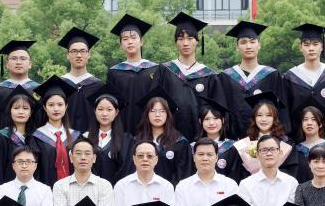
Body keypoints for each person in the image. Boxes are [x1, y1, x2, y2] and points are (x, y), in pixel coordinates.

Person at [219, 20, 290, 138]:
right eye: (243, 42)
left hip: (266, 140)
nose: (248, 46)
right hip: (234, 139)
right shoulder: (225, 77)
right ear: (237, 47)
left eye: (252, 42)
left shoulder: (272, 75)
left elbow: (281, 110)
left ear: (259, 45)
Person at [161, 12, 223, 142]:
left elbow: (217, 112)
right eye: (181, 38)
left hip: (202, 141)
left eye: (190, 38)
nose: (185, 43)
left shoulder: (209, 75)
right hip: (170, 137)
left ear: (197, 41)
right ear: (176, 42)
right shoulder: (165, 71)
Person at [107, 14, 166, 134]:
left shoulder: (155, 69)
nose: (130, 42)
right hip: (122, 128)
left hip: (149, 128)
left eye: (133, 38)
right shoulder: (114, 72)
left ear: (141, 41)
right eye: (125, 39)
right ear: (121, 45)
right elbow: (111, 103)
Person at [238, 135, 299, 206]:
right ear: (257, 154)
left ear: (280, 153)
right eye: (264, 150)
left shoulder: (291, 183)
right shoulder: (246, 184)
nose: (269, 153)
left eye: (273, 149)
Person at [53, 137, 115, 206]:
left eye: (87, 154)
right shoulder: (60, 185)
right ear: (71, 158)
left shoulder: (104, 185)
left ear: (94, 158)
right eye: (78, 153)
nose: (83, 157)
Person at [284, 23, 325, 127]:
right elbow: (286, 110)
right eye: (306, 45)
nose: (311, 48)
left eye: (315, 44)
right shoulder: (290, 76)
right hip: (299, 132)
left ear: (322, 47)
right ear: (300, 47)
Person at [28, 75, 81, 186]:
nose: (56, 109)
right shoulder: (36, 138)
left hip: (74, 189)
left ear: (66, 106)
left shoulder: (76, 137)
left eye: (60, 104)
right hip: (45, 191)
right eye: (51, 105)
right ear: (44, 107)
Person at [133, 88, 191, 184]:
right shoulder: (136, 141)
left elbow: (183, 174)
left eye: (162, 111)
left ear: (168, 114)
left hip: (170, 191)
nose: (157, 115)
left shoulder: (180, 142)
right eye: (153, 111)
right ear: (147, 114)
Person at [0, 86, 35, 188]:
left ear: (30, 113)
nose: (21, 112)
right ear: (10, 111)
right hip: (6, 191)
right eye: (16, 108)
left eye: (25, 108)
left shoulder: (36, 138)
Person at [0, 40, 40, 130]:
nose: (18, 62)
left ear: (30, 64)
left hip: (33, 138)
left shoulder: (39, 90)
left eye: (23, 58)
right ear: (7, 64)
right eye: (14, 58)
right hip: (1, 138)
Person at [58, 27, 105, 133]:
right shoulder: (60, 85)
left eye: (83, 51)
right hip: (63, 138)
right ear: (67, 55)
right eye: (74, 51)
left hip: (92, 138)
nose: (78, 55)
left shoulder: (99, 86)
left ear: (89, 54)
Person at [84, 85, 132, 185]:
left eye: (109, 109)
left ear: (116, 112)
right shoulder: (85, 138)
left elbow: (126, 169)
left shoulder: (126, 140)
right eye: (100, 109)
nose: (104, 114)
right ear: (95, 111)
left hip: (116, 189)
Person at [291, 100, 325, 185]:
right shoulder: (297, 150)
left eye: (313, 119)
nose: (309, 123)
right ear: (301, 124)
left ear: (320, 124)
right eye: (305, 120)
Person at [196, 96, 246, 180]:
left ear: (222, 120)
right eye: (207, 119)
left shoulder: (233, 147)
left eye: (215, 118)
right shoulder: (193, 148)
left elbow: (236, 176)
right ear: (200, 121)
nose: (211, 123)